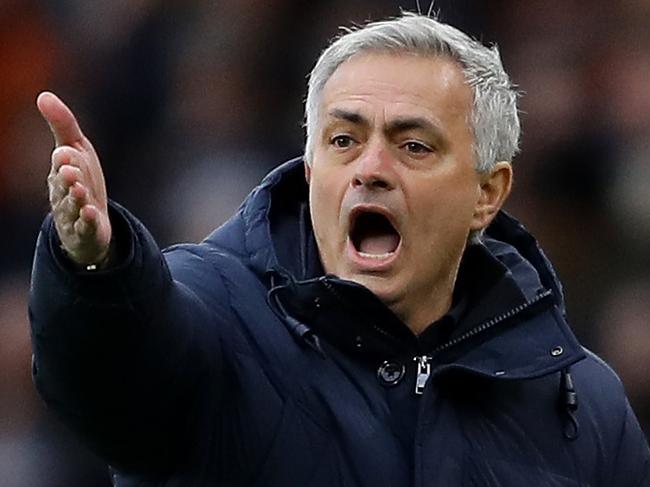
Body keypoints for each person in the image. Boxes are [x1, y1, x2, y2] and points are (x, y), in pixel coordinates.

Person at [29, 13, 649, 486]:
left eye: (414, 146)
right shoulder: (213, 311)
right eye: (344, 139)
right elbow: (110, 382)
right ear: (310, 166)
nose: (370, 169)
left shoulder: (580, 403)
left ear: (487, 192)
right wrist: (97, 271)